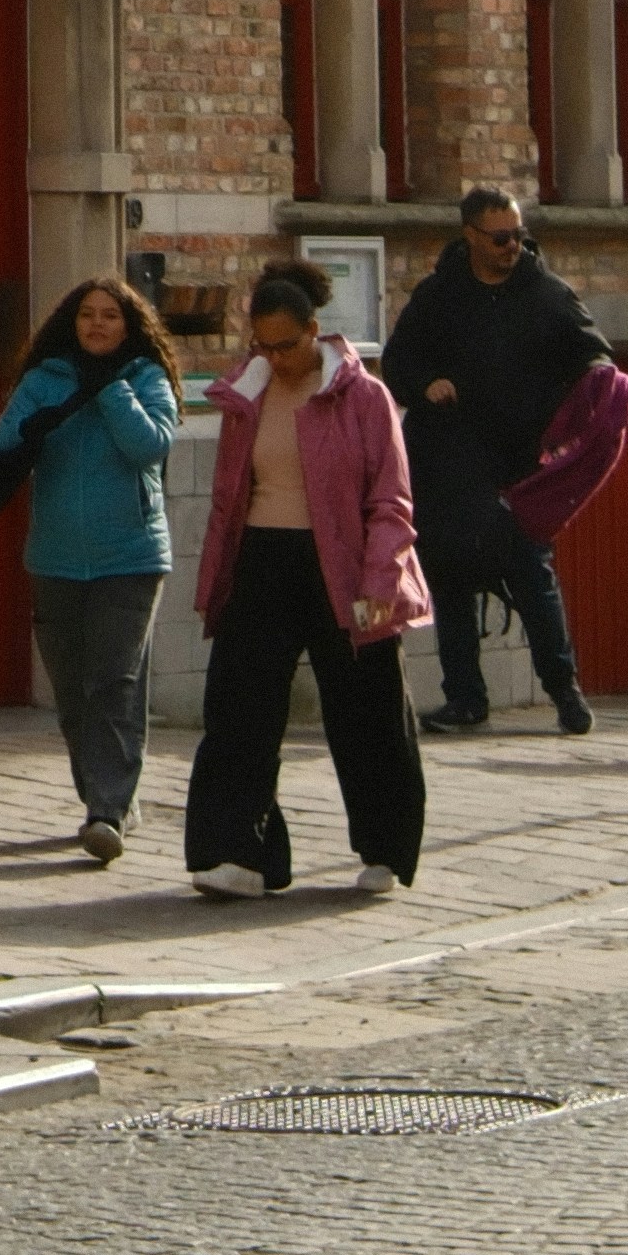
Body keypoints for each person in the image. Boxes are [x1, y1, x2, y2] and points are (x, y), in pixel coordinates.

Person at [179, 258, 423, 903]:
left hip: (344, 566)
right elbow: (232, 495)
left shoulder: (363, 396)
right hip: (261, 558)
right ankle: (240, 853)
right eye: (263, 343)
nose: (275, 356)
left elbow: (391, 500)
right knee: (239, 706)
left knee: (366, 710)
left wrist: (378, 581)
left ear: (314, 330)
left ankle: (385, 849)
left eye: (286, 344)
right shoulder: (247, 392)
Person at [381, 185, 609, 736]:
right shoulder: (438, 296)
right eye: (501, 237)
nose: (512, 247)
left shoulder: (549, 295)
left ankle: (566, 694)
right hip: (447, 463)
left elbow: (596, 357)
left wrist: (585, 406)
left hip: (517, 467)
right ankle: (464, 700)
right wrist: (424, 383)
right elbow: (397, 360)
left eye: (518, 236)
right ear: (471, 235)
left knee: (533, 578)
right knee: (450, 583)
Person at [0, 278, 185, 864]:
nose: (97, 325)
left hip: (131, 557)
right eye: (88, 315)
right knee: (73, 694)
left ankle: (107, 811)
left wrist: (111, 391)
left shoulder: (147, 378)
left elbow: (149, 446)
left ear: (130, 325)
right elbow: (0, 450)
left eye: (110, 316)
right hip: (55, 558)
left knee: (114, 683)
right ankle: (106, 793)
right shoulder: (44, 379)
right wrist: (26, 436)